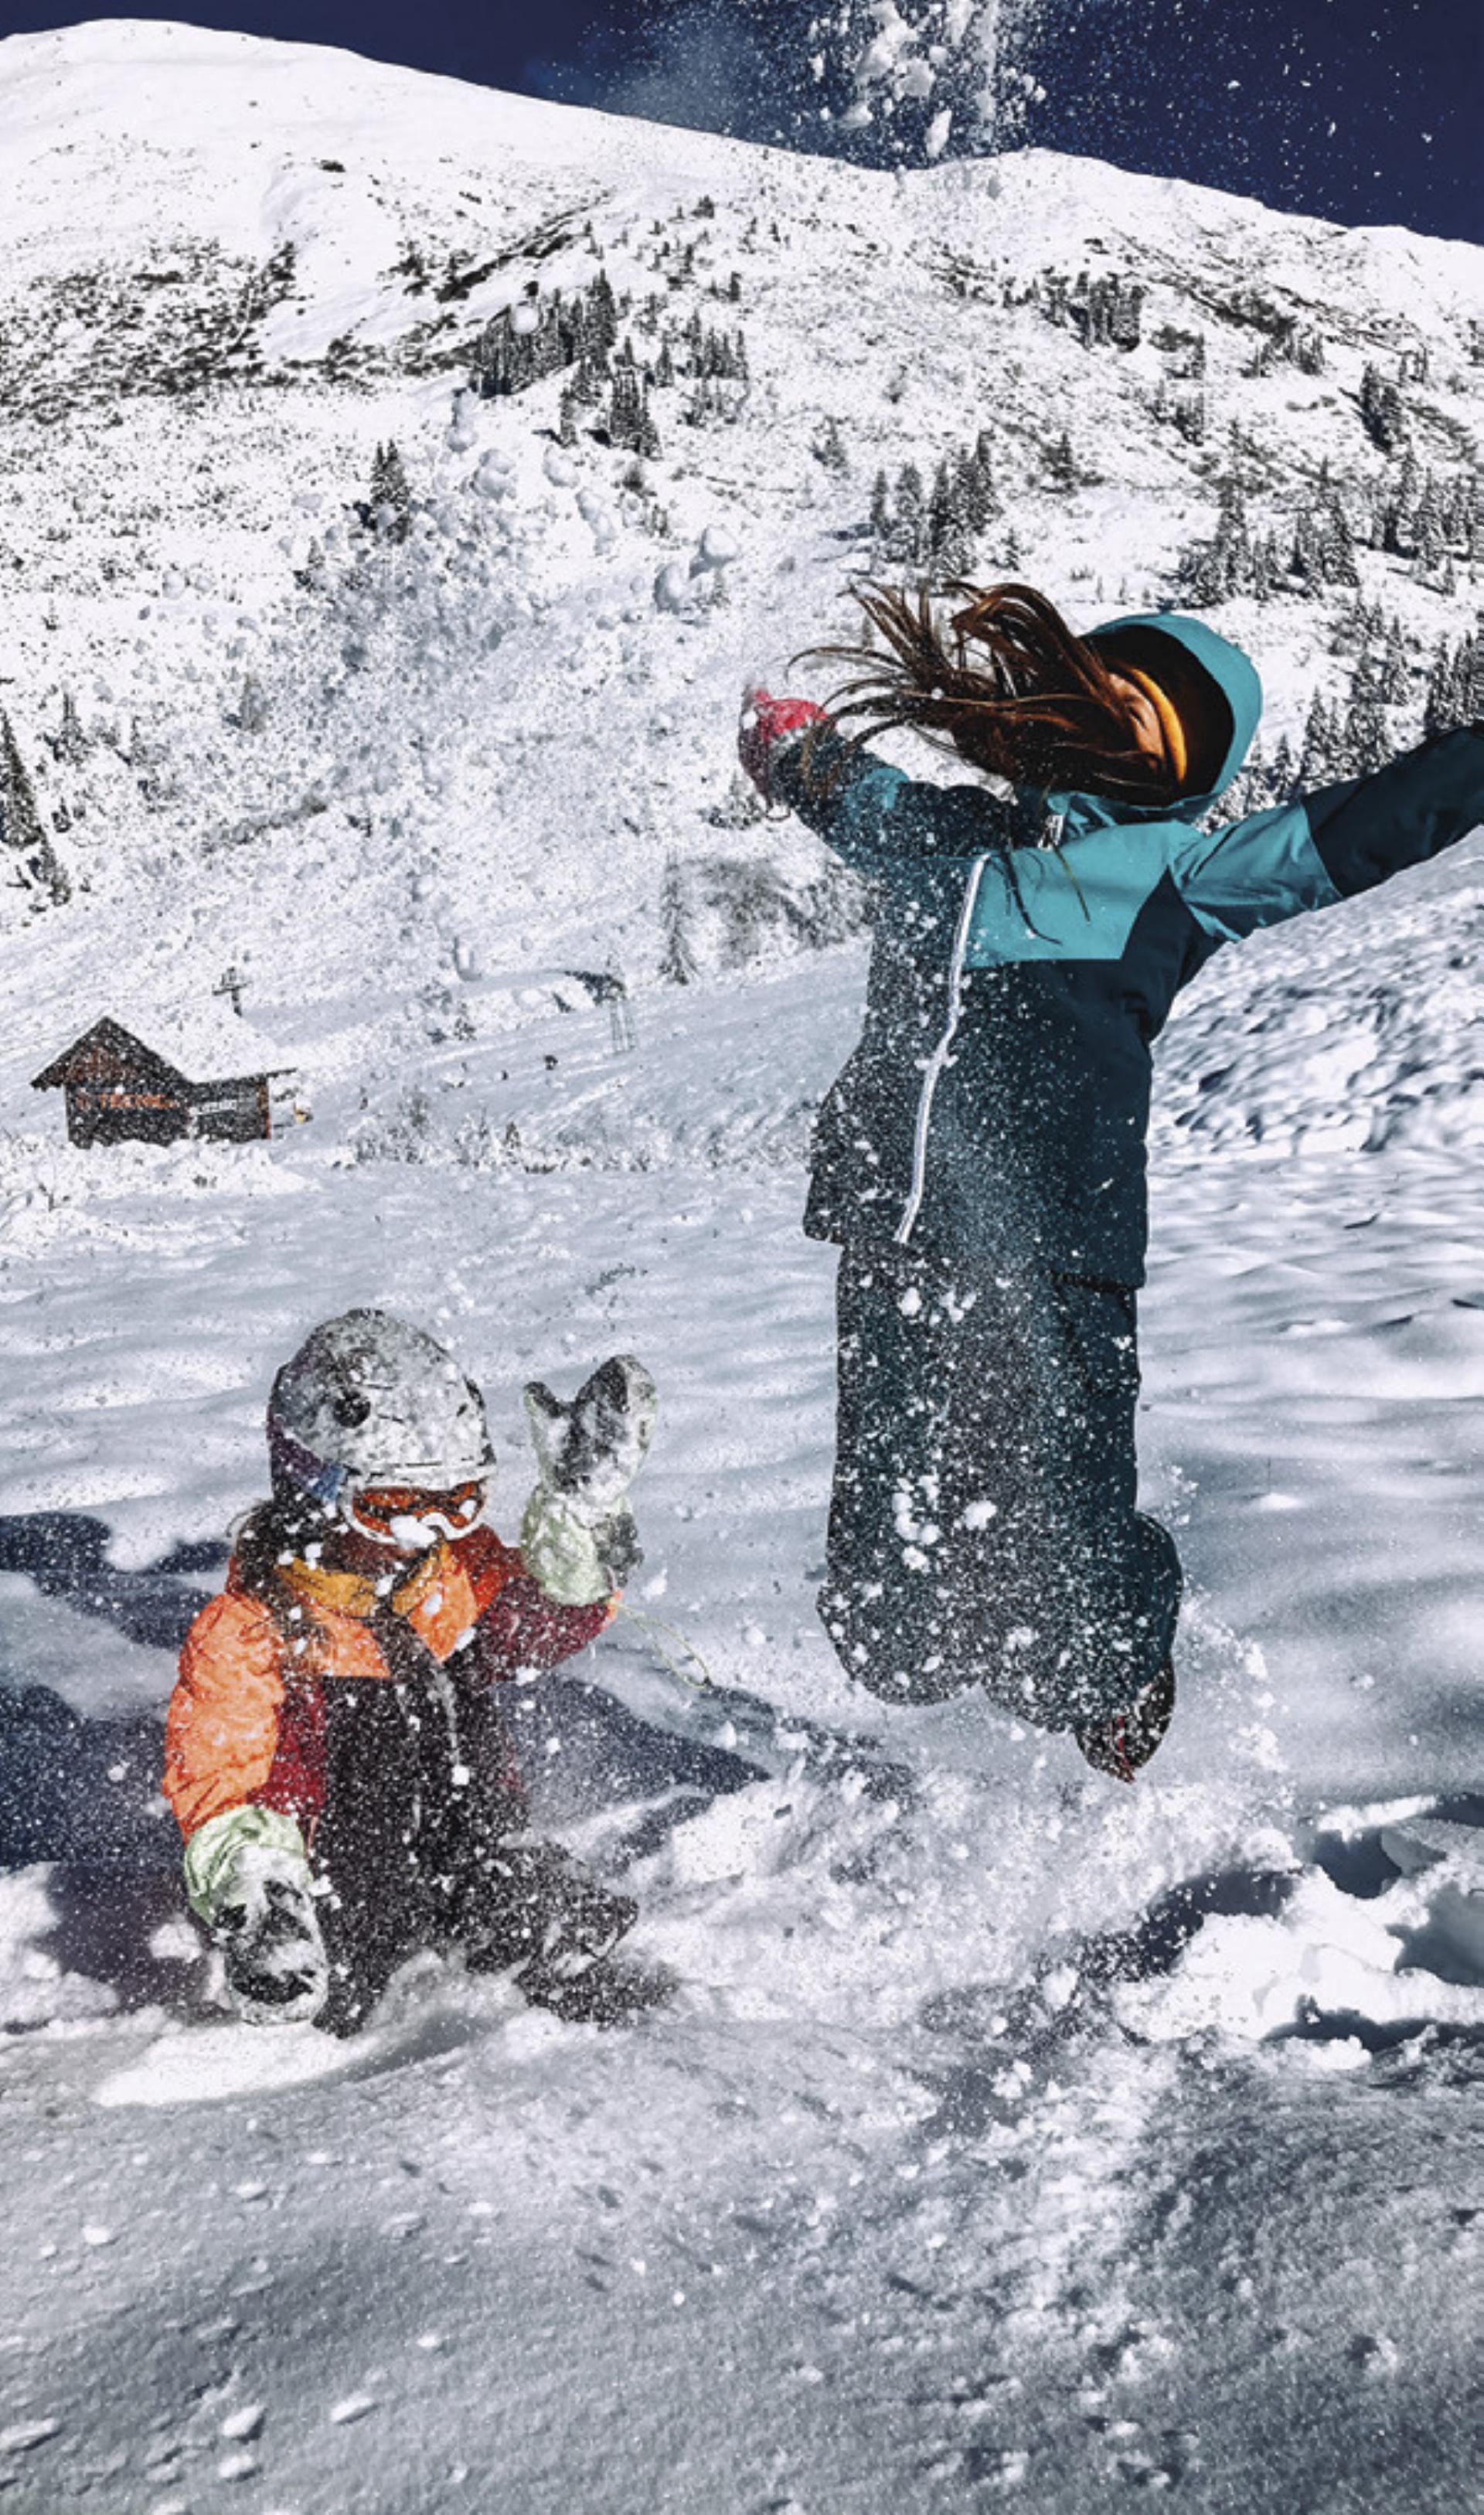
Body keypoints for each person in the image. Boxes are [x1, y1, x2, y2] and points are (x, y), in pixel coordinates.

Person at [739, 581, 1484, 1780]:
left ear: (1181, 768)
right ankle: (959, 1642)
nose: (1111, 708)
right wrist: (784, 741)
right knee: (888, 1627)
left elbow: (1370, 825)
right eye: (1109, 685)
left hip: (1055, 1257)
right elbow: (840, 785)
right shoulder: (942, 834)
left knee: (1068, 1622)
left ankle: (1126, 1636)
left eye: (1146, 711)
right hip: (897, 1245)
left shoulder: (1179, 874)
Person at [164, 1309, 658, 2033]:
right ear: (314, 1494)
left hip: (474, 1855)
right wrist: (262, 1891)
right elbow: (221, 1774)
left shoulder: (446, 1574)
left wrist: (579, 1523)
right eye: (394, 1507)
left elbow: (538, 1627)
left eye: (458, 1504)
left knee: (534, 1906)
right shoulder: (248, 1633)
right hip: (344, 1892)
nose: (425, 1534)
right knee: (361, 1983)